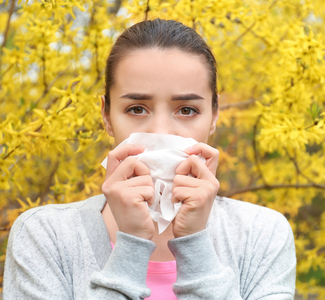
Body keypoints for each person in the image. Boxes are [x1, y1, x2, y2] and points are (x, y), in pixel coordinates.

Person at [4, 19, 296, 299]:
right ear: (106, 116)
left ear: (214, 116)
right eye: (136, 109)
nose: (160, 132)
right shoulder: (44, 236)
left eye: (186, 110)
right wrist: (131, 245)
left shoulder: (261, 234)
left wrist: (194, 244)